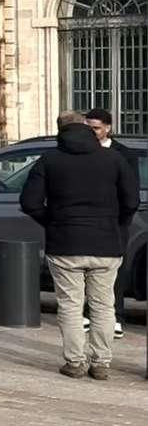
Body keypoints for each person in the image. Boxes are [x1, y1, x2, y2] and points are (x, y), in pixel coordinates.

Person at [23, 111, 140, 381]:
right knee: (103, 305)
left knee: (70, 305)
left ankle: (75, 362)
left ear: (59, 131)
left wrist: (53, 222)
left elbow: (29, 201)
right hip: (106, 243)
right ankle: (101, 362)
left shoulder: (49, 159)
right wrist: (114, 223)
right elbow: (131, 201)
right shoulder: (113, 158)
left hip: (65, 243)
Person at [82, 108, 138, 340]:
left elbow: (130, 192)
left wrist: (121, 219)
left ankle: (116, 316)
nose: (91, 133)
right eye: (88, 128)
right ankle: (88, 313)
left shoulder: (124, 155)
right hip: (87, 221)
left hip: (114, 222)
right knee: (85, 267)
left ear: (108, 128)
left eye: (95, 128)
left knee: (114, 270)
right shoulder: (81, 152)